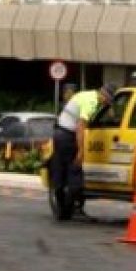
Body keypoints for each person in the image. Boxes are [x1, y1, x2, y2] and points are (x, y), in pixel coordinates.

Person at [50, 83, 113, 222]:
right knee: (75, 175)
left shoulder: (86, 94)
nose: (106, 104)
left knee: (60, 173)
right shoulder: (91, 102)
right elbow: (80, 126)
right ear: (104, 96)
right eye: (107, 101)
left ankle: (61, 209)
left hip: (58, 133)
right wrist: (81, 150)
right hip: (68, 136)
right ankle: (68, 211)